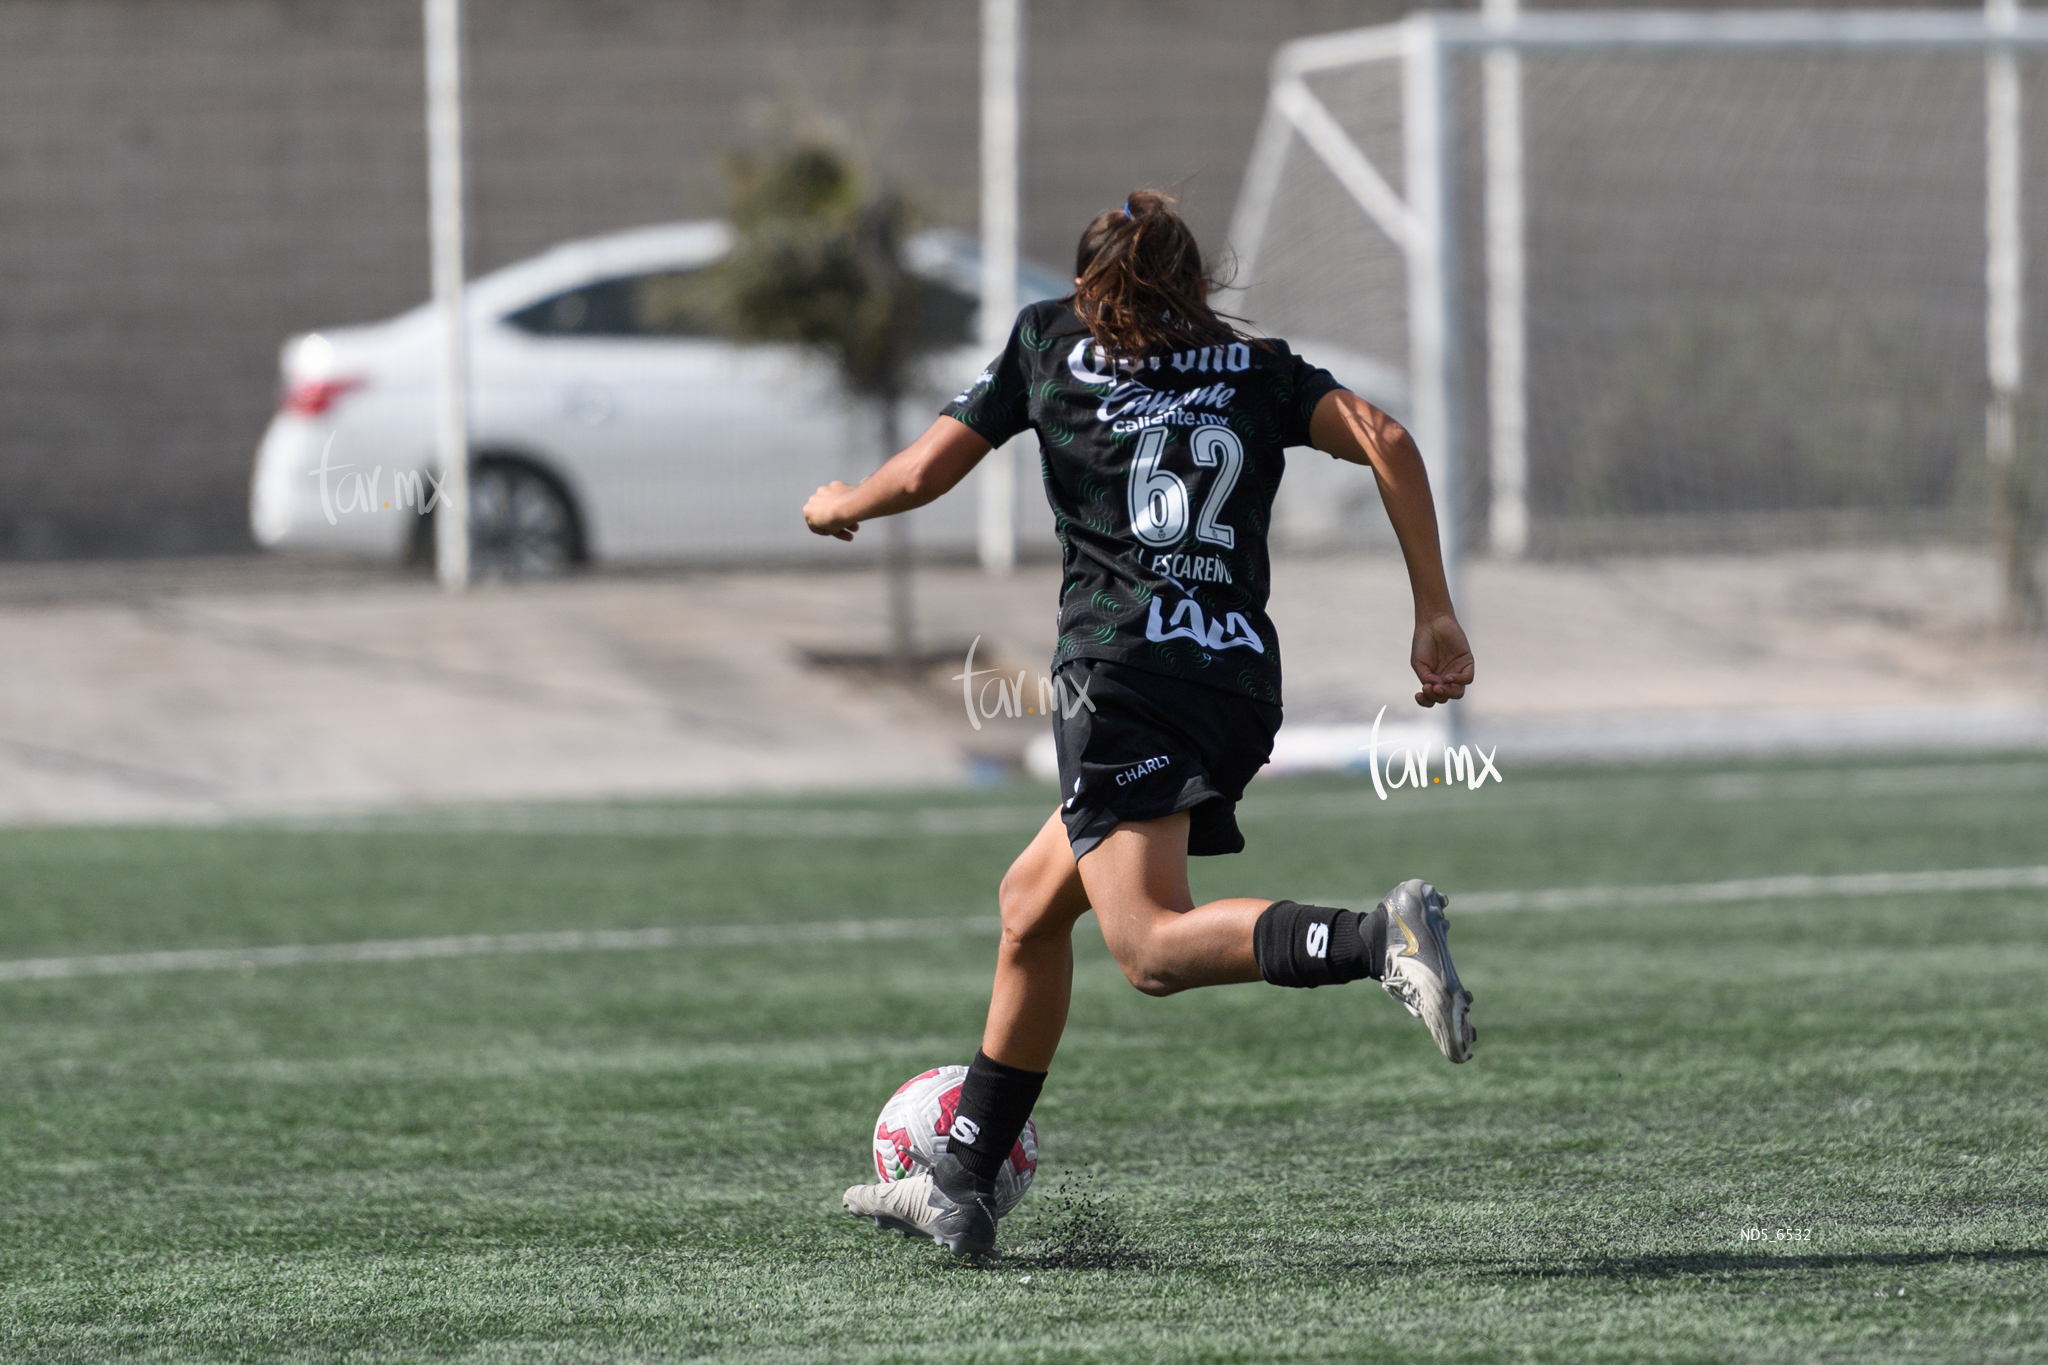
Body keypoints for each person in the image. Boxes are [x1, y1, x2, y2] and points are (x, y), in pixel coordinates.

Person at [808, 190, 1476, 1256]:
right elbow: (1387, 439)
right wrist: (1432, 609)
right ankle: (963, 1182)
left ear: (1083, 285)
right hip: (1235, 686)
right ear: (1197, 285)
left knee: (1151, 947)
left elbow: (923, 472)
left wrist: (840, 503)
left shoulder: (1048, 341)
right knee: (1030, 904)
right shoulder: (1256, 370)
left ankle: (1372, 940)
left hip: (1120, 675)